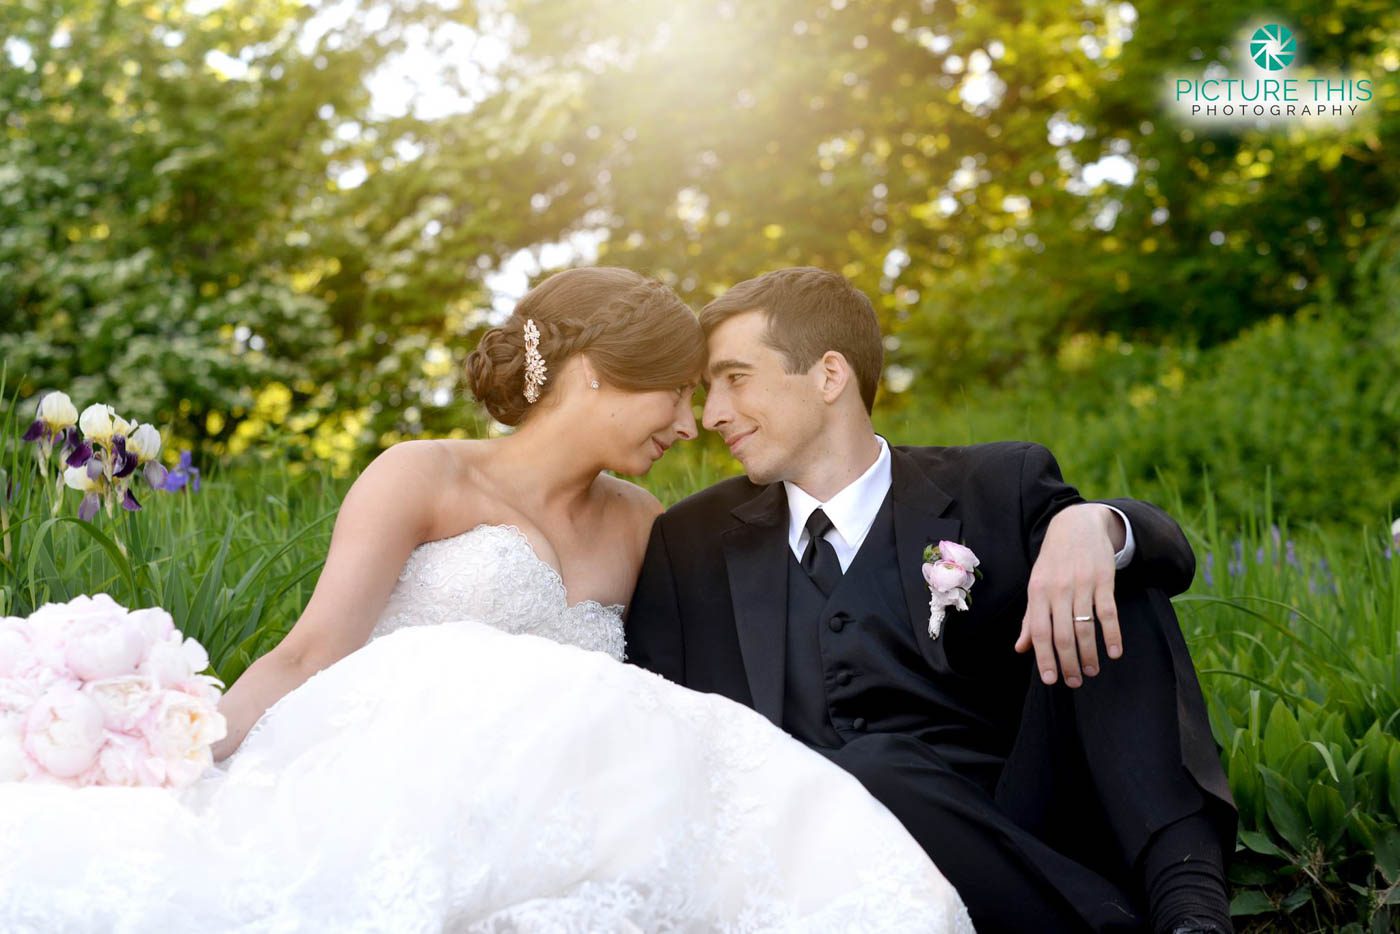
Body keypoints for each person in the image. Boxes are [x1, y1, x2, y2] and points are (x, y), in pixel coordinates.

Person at [0, 268, 973, 932]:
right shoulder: (422, 474)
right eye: (671, 395)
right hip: (391, 778)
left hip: (562, 810)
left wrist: (1079, 521)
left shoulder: (644, 525)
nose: (692, 423)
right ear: (593, 378)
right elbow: (309, 653)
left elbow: (677, 690)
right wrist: (189, 755)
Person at [626, 267, 1237, 934]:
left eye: (735, 378)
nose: (712, 414)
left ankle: (1191, 911)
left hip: (1024, 825)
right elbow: (665, 734)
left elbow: (1170, 554)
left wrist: (1097, 524)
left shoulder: (996, 484)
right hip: (825, 865)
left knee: (1111, 571)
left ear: (829, 376)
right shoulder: (688, 544)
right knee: (868, 771)